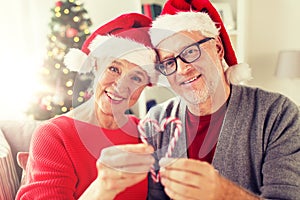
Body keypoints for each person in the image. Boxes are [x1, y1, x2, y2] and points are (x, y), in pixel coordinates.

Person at [143, 0, 300, 199]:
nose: (182, 69)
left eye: (190, 51)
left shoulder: (277, 114)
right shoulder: (157, 122)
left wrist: (223, 192)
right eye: (169, 62)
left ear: (218, 48)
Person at [16, 13, 159, 200]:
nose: (121, 86)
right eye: (114, 69)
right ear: (96, 66)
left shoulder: (145, 133)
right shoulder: (53, 135)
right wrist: (102, 189)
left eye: (136, 78)